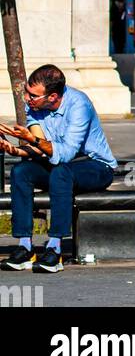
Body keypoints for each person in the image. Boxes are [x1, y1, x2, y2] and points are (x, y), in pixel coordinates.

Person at [0, 65, 116, 275]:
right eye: (26, 92)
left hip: (96, 166)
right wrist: (15, 150)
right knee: (21, 172)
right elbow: (40, 148)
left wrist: (32, 139)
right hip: (58, 165)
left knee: (61, 173)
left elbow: (66, 153)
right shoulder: (34, 106)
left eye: (33, 95)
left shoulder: (79, 105)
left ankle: (55, 249)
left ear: (52, 97)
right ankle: (25, 247)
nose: (27, 98)